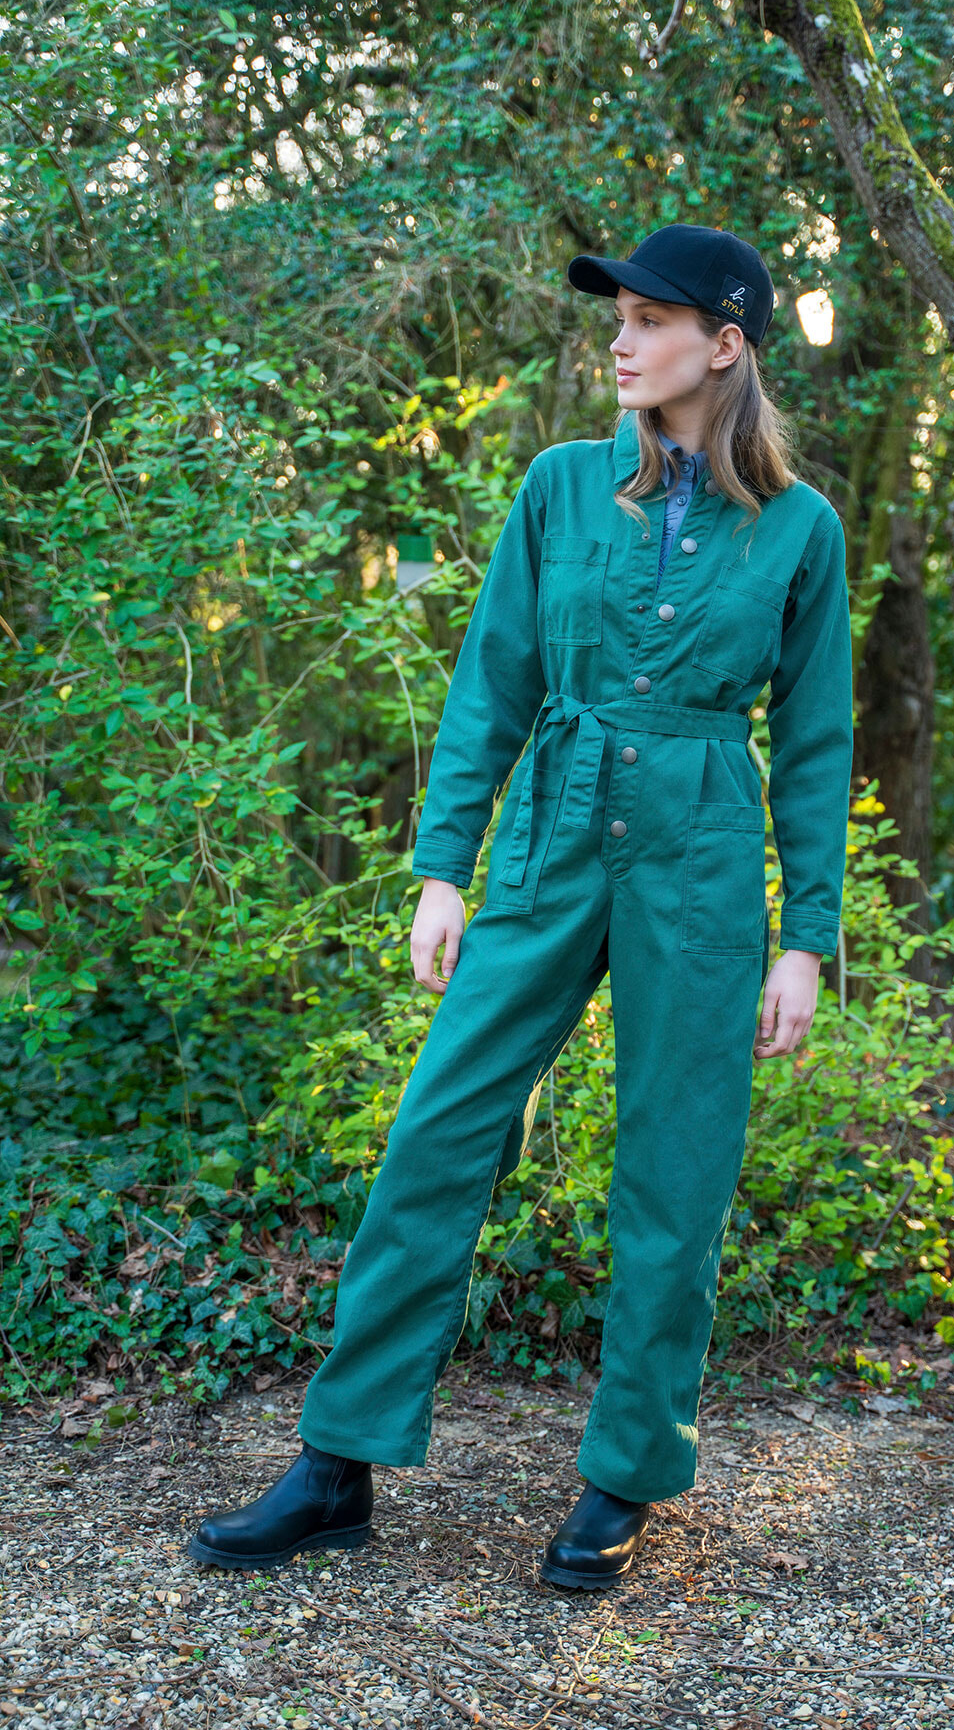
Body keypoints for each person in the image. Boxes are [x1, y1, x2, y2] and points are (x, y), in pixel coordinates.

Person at [187, 223, 854, 1590]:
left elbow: (818, 744)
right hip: (554, 835)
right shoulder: (558, 490)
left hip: (705, 858)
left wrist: (805, 938)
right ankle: (338, 1464)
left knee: (676, 1172)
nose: (619, 340)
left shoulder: (799, 526)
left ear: (723, 345)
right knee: (440, 1129)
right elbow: (490, 683)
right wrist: (444, 865)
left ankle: (624, 1477)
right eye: (616, 317)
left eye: (650, 319)